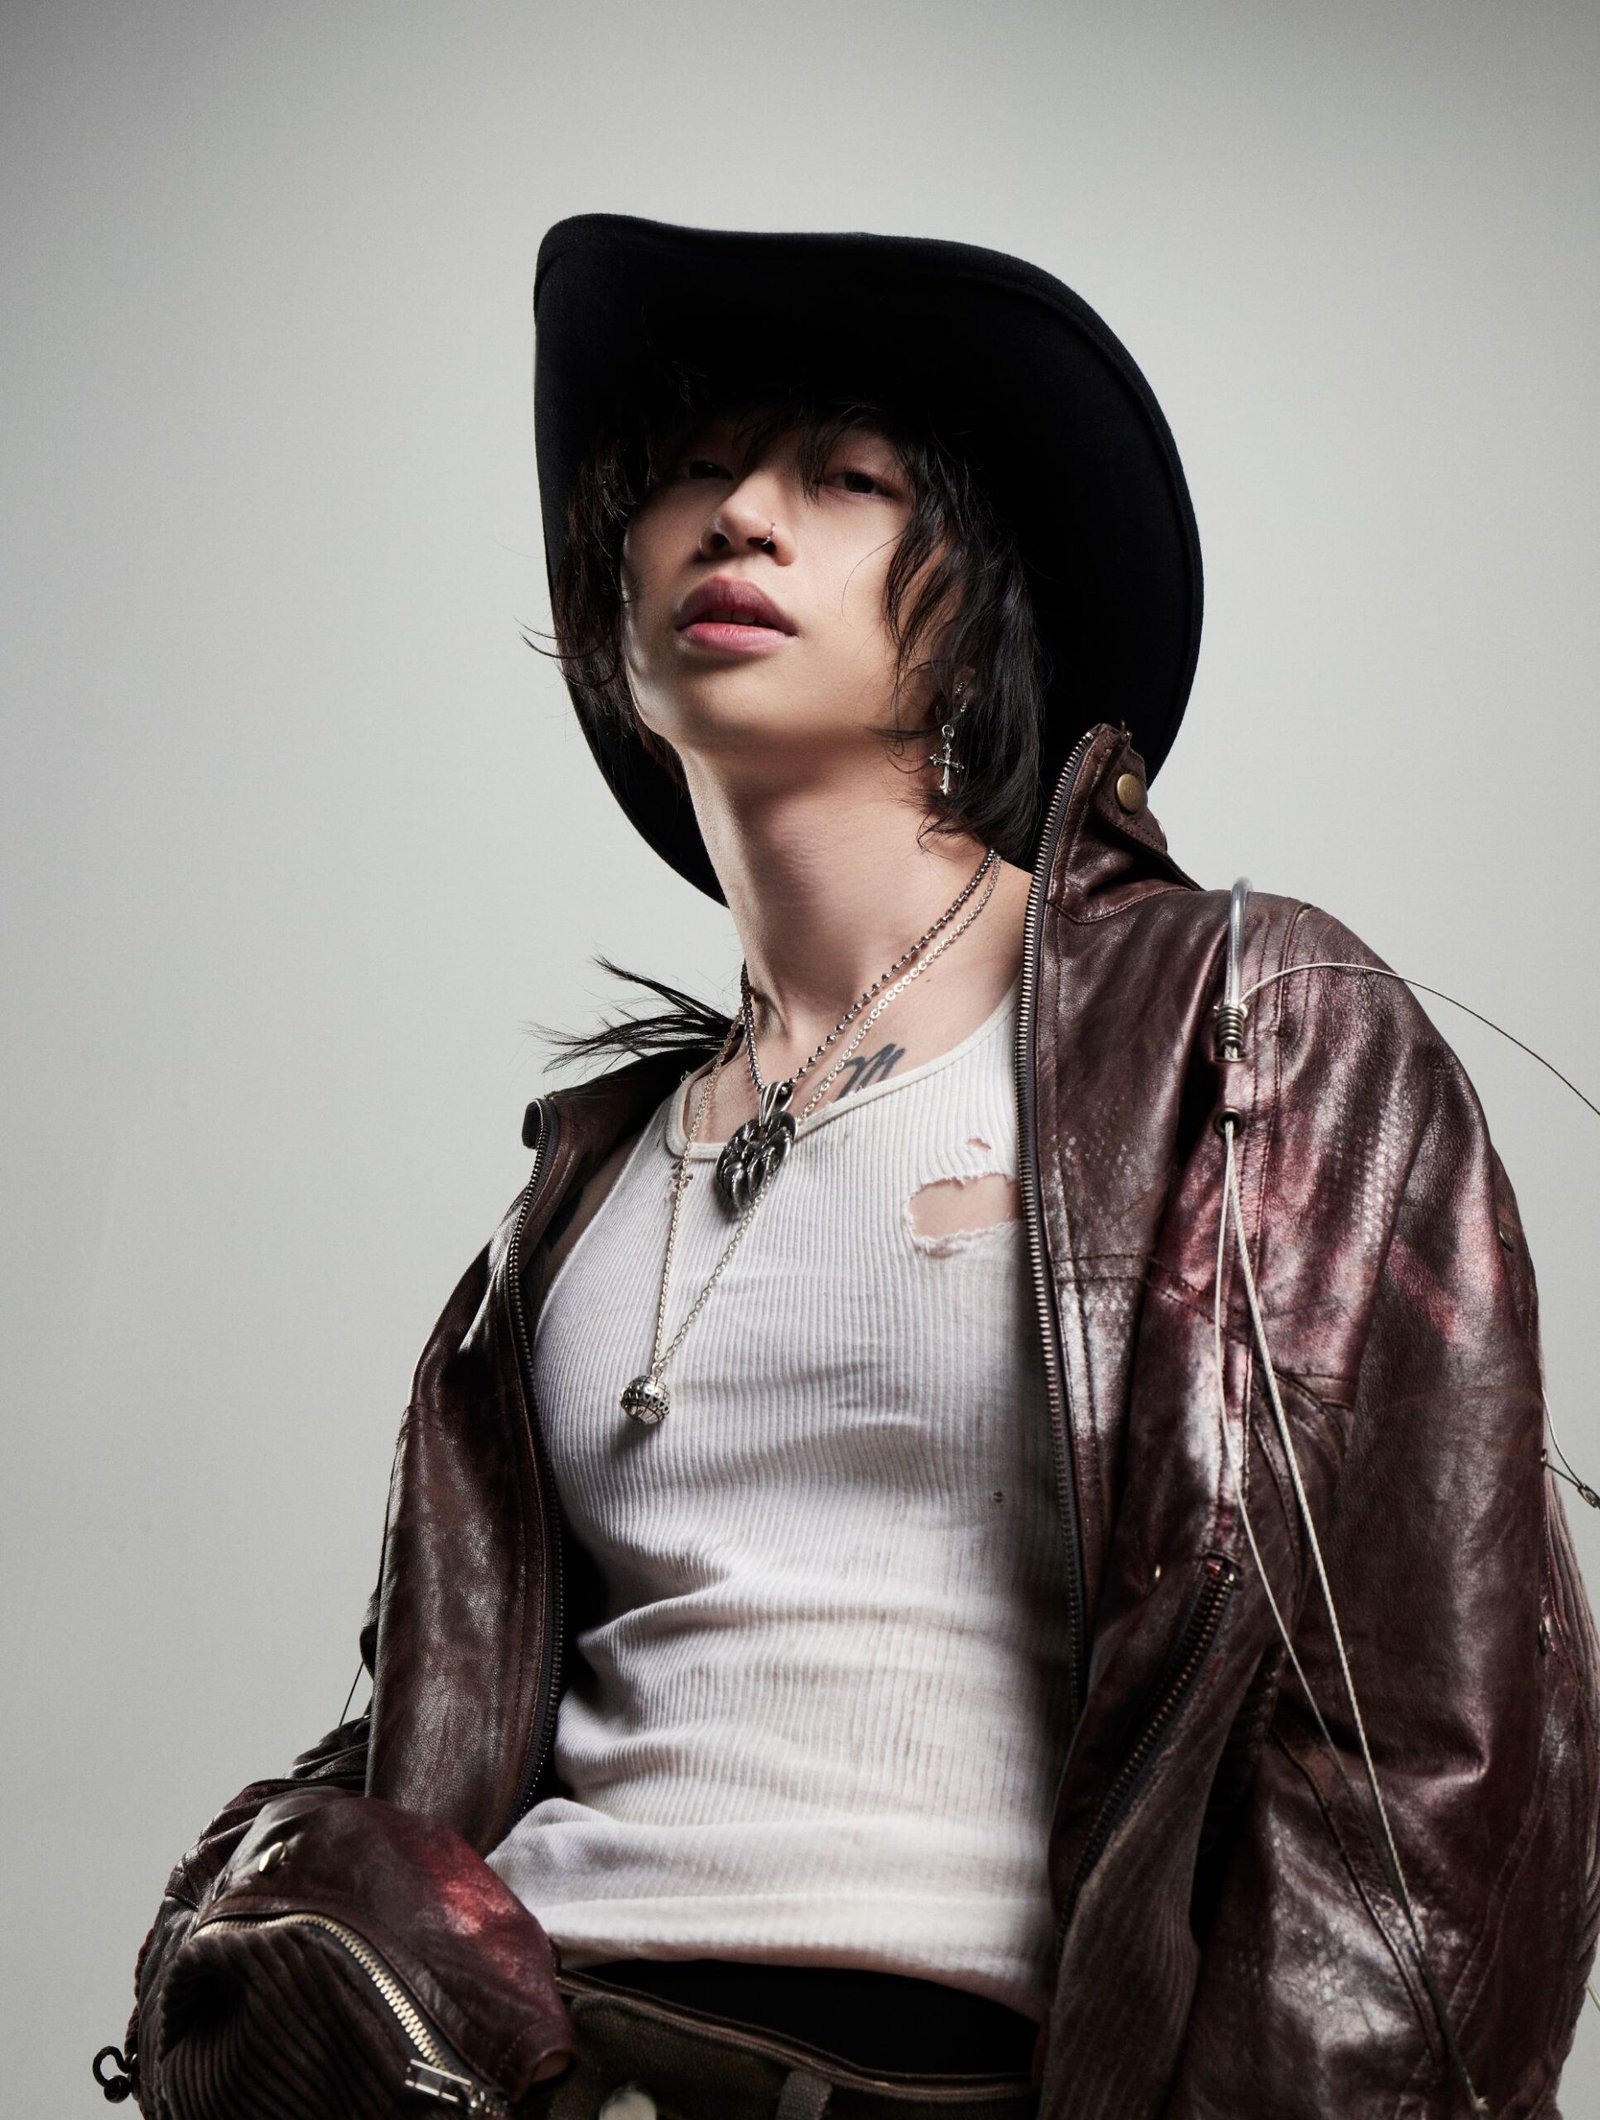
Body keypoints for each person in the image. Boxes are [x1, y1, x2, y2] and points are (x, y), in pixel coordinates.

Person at [102, 215, 1600, 2120]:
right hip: (536, 2067)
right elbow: (452, 1734)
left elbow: (1428, 1764)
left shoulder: (1242, 1029)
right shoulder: (576, 1198)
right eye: (690, 475)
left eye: (846, 479)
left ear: (977, 602)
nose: (740, 516)